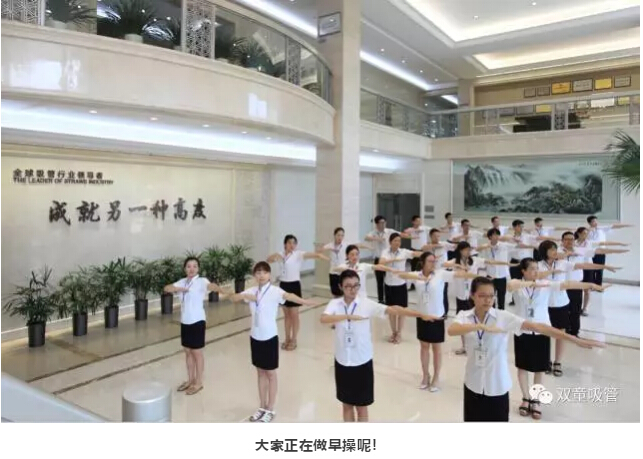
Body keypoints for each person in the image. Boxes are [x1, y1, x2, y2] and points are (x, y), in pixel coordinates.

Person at [447, 276, 604, 422]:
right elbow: (452, 330)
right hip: (473, 384)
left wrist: (574, 339)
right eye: (482, 296)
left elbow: (538, 327)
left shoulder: (502, 317)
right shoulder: (464, 316)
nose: (488, 300)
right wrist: (480, 327)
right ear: (472, 295)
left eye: (491, 296)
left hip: (497, 386)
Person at [320, 270, 439, 422]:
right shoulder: (335, 304)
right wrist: (347, 316)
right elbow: (323, 319)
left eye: (356, 285)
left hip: (362, 362)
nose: (353, 290)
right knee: (346, 404)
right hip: (343, 362)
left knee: (362, 406)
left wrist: (420, 315)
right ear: (340, 287)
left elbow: (394, 309)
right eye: (348, 286)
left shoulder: (366, 304)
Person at [508, 258, 610, 420]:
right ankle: (526, 398)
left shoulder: (546, 284)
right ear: (523, 271)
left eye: (537, 268)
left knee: (540, 368)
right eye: (532, 269)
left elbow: (568, 284)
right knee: (522, 367)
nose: (536, 272)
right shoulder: (517, 284)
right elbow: (511, 285)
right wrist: (532, 284)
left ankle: (536, 400)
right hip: (522, 331)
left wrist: (592, 285)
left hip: (542, 331)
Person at [230, 262, 316, 423]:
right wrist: (245, 296)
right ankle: (262, 406)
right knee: (260, 372)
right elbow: (234, 297)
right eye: (258, 273)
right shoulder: (252, 290)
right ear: (254, 275)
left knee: (270, 373)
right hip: (255, 337)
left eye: (264, 272)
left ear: (269, 275)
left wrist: (305, 302)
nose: (261, 275)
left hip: (269, 337)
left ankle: (270, 408)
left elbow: (289, 296)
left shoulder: (275, 291)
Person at [397, 252, 478, 392]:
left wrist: (476, 276)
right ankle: (425, 375)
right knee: (424, 347)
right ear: (422, 262)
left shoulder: (440, 274)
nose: (433, 264)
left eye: (434, 261)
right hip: (422, 316)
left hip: (437, 317)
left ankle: (436, 377)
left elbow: (459, 275)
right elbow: (401, 275)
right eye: (430, 261)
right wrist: (417, 277)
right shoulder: (417, 275)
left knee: (436, 348)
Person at [537, 240, 620, 376]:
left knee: (560, 333)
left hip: (561, 303)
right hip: (543, 304)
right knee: (545, 333)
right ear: (544, 251)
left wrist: (603, 266)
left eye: (555, 249)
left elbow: (584, 265)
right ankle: (546, 361)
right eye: (551, 249)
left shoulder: (563, 263)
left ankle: (558, 362)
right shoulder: (538, 266)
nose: (554, 252)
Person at [164, 256, 223, 396]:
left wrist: (217, 287)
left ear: (198, 269)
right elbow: (167, 288)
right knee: (188, 351)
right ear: (185, 269)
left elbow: (210, 286)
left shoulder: (201, 281)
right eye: (189, 266)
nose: (191, 269)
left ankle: (199, 382)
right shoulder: (182, 282)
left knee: (197, 353)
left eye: (195, 266)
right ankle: (190, 380)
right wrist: (179, 288)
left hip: (197, 321)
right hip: (185, 321)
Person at [443, 241, 514, 355]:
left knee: (478, 318)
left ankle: (480, 342)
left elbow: (490, 261)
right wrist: (458, 266)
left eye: (469, 249)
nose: (468, 252)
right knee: (463, 321)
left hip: (473, 296)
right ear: (460, 250)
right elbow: (443, 264)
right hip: (460, 295)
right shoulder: (455, 261)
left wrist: (506, 263)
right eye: (466, 249)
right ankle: (464, 346)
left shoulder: (474, 260)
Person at [267, 234, 329, 351]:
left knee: (294, 314)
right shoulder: (280, 254)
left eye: (294, 243)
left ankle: (294, 339)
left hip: (294, 285)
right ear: (285, 244)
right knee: (286, 315)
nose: (292, 245)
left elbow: (311, 255)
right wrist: (275, 256)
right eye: (289, 243)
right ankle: (287, 338)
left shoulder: (298, 254)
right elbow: (269, 259)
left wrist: (319, 255)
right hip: (283, 285)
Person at [560, 231, 628, 335]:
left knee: (575, 309)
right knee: (563, 309)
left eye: (572, 239)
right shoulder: (557, 251)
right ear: (562, 240)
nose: (569, 241)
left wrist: (617, 251)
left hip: (577, 284)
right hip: (562, 285)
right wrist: (567, 254)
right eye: (567, 239)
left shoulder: (580, 250)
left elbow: (599, 250)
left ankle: (574, 331)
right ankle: (563, 330)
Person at [377, 233, 426, 343]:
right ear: (390, 242)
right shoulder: (385, 252)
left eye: (399, 241)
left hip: (400, 285)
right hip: (389, 285)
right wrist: (393, 260)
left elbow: (415, 253)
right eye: (395, 240)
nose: (397, 243)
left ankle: (399, 333)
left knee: (402, 311)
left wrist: (427, 254)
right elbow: (381, 263)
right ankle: (393, 332)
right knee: (391, 311)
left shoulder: (404, 252)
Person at [574, 226, 628, 315]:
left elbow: (605, 243)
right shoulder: (574, 243)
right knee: (577, 289)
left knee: (587, 289)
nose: (586, 235)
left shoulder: (590, 242)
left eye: (587, 234)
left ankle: (585, 308)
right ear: (579, 234)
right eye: (584, 233)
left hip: (588, 268)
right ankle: (576, 308)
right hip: (577, 268)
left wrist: (620, 244)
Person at [365, 216, 409, 304]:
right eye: (381, 223)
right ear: (377, 224)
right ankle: (381, 299)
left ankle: (389, 297)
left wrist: (409, 235)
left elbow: (400, 234)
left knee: (389, 278)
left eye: (384, 222)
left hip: (389, 258)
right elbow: (366, 238)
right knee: (380, 280)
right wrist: (377, 239)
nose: (383, 224)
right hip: (379, 259)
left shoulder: (389, 231)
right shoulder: (373, 232)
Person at [318, 227, 370, 298]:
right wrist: (328, 256)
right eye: (338, 235)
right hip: (333, 272)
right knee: (335, 293)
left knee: (344, 292)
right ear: (334, 235)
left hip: (343, 272)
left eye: (342, 235)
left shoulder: (345, 245)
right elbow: (319, 251)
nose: (340, 237)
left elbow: (358, 245)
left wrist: (368, 247)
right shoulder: (330, 245)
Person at [586, 215, 632, 286]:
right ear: (589, 223)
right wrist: (589, 231)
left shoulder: (601, 229)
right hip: (590, 253)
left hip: (601, 252)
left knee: (600, 269)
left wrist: (626, 225)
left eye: (596, 221)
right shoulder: (586, 231)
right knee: (591, 269)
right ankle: (592, 285)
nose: (596, 222)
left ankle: (598, 285)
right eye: (593, 221)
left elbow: (614, 226)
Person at [475, 228, 515, 310]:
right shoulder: (486, 246)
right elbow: (477, 249)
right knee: (490, 296)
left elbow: (515, 245)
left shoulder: (504, 245)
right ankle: (491, 312)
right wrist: (487, 246)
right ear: (490, 236)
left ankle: (501, 313)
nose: (497, 236)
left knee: (501, 297)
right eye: (494, 234)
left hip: (501, 275)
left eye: (498, 234)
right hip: (490, 275)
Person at [403, 215, 432, 289]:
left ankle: (425, 283)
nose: (419, 222)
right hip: (414, 250)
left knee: (424, 267)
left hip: (423, 251)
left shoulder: (424, 228)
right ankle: (413, 285)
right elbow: (405, 233)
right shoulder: (411, 229)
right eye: (417, 221)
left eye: (419, 220)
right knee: (414, 268)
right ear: (413, 222)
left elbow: (433, 230)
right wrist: (414, 232)